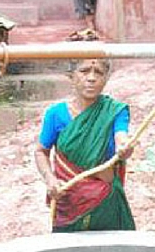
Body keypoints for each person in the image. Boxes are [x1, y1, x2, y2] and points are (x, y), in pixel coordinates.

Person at [34, 58, 136, 232]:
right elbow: (41, 151)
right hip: (68, 202)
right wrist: (50, 179)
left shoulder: (114, 111)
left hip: (106, 203)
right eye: (84, 71)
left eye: (99, 73)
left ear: (106, 78)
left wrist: (124, 146)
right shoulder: (55, 114)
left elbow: (121, 136)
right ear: (72, 76)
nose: (91, 78)